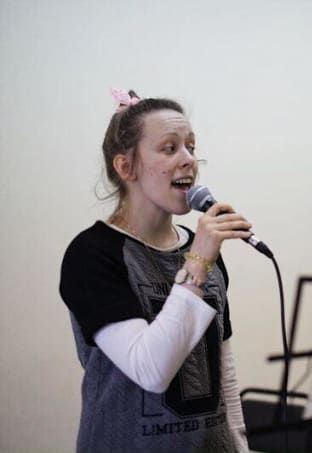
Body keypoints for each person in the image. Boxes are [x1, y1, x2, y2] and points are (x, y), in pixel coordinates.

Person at [59, 89, 251, 452]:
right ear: (125, 167)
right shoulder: (93, 254)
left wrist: (239, 444)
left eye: (191, 148)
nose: (188, 161)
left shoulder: (199, 246)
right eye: (169, 148)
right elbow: (151, 369)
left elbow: (223, 368)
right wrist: (197, 263)